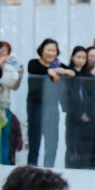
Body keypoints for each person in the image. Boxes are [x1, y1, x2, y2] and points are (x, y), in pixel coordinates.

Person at [27, 38, 72, 166]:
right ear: (42, 50)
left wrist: (64, 71)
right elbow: (35, 69)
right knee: (34, 143)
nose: (51, 53)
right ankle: (31, 172)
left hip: (52, 108)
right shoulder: (34, 63)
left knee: (51, 144)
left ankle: (49, 171)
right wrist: (50, 73)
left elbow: (74, 73)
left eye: (54, 50)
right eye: (48, 49)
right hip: (35, 108)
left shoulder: (58, 66)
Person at [64, 46, 95, 170]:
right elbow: (68, 97)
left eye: (83, 58)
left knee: (86, 151)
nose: (81, 60)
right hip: (73, 118)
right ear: (72, 57)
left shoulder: (88, 76)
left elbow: (93, 98)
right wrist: (79, 113)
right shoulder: (68, 73)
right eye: (78, 57)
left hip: (89, 120)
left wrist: (89, 114)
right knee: (72, 149)